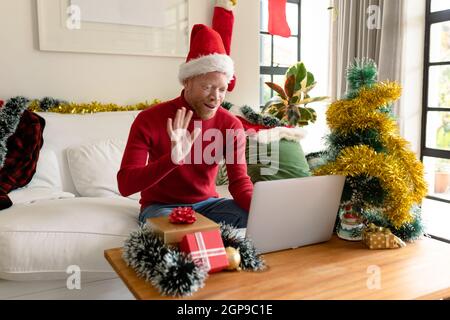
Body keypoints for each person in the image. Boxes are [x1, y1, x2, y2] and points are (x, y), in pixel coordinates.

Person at [117, 22, 253, 228]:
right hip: (160, 207)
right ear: (187, 82)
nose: (216, 97)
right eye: (207, 87)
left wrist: (264, 212)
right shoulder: (149, 119)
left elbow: (239, 182)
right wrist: (172, 160)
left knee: (257, 220)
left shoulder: (230, 125)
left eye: (222, 89)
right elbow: (126, 185)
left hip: (208, 206)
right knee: (178, 232)